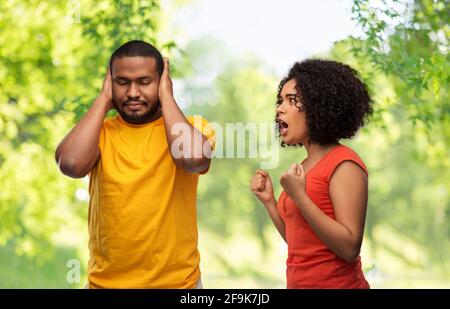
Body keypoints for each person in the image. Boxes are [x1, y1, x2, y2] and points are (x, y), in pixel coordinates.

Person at [55, 40, 214, 288]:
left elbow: (193, 159)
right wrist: (103, 99)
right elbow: (71, 164)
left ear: (162, 81)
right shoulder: (101, 133)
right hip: (104, 285)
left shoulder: (192, 128)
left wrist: (167, 98)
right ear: (110, 82)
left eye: (144, 82)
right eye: (122, 82)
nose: (132, 93)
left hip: (178, 285)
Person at [250, 59, 373, 288]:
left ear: (318, 105)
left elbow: (349, 248)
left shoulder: (345, 163)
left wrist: (299, 196)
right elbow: (298, 241)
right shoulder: (305, 166)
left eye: (291, 100)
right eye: (280, 100)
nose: (280, 108)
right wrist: (269, 202)